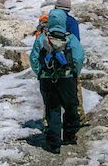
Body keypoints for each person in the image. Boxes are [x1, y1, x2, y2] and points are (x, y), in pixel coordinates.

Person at [29, 12, 85, 151]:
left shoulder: (42, 38)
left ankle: (54, 143)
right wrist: (74, 73)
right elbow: (78, 57)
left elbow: (33, 58)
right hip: (67, 79)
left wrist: (40, 73)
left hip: (47, 79)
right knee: (71, 107)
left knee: (52, 109)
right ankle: (69, 136)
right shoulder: (70, 38)